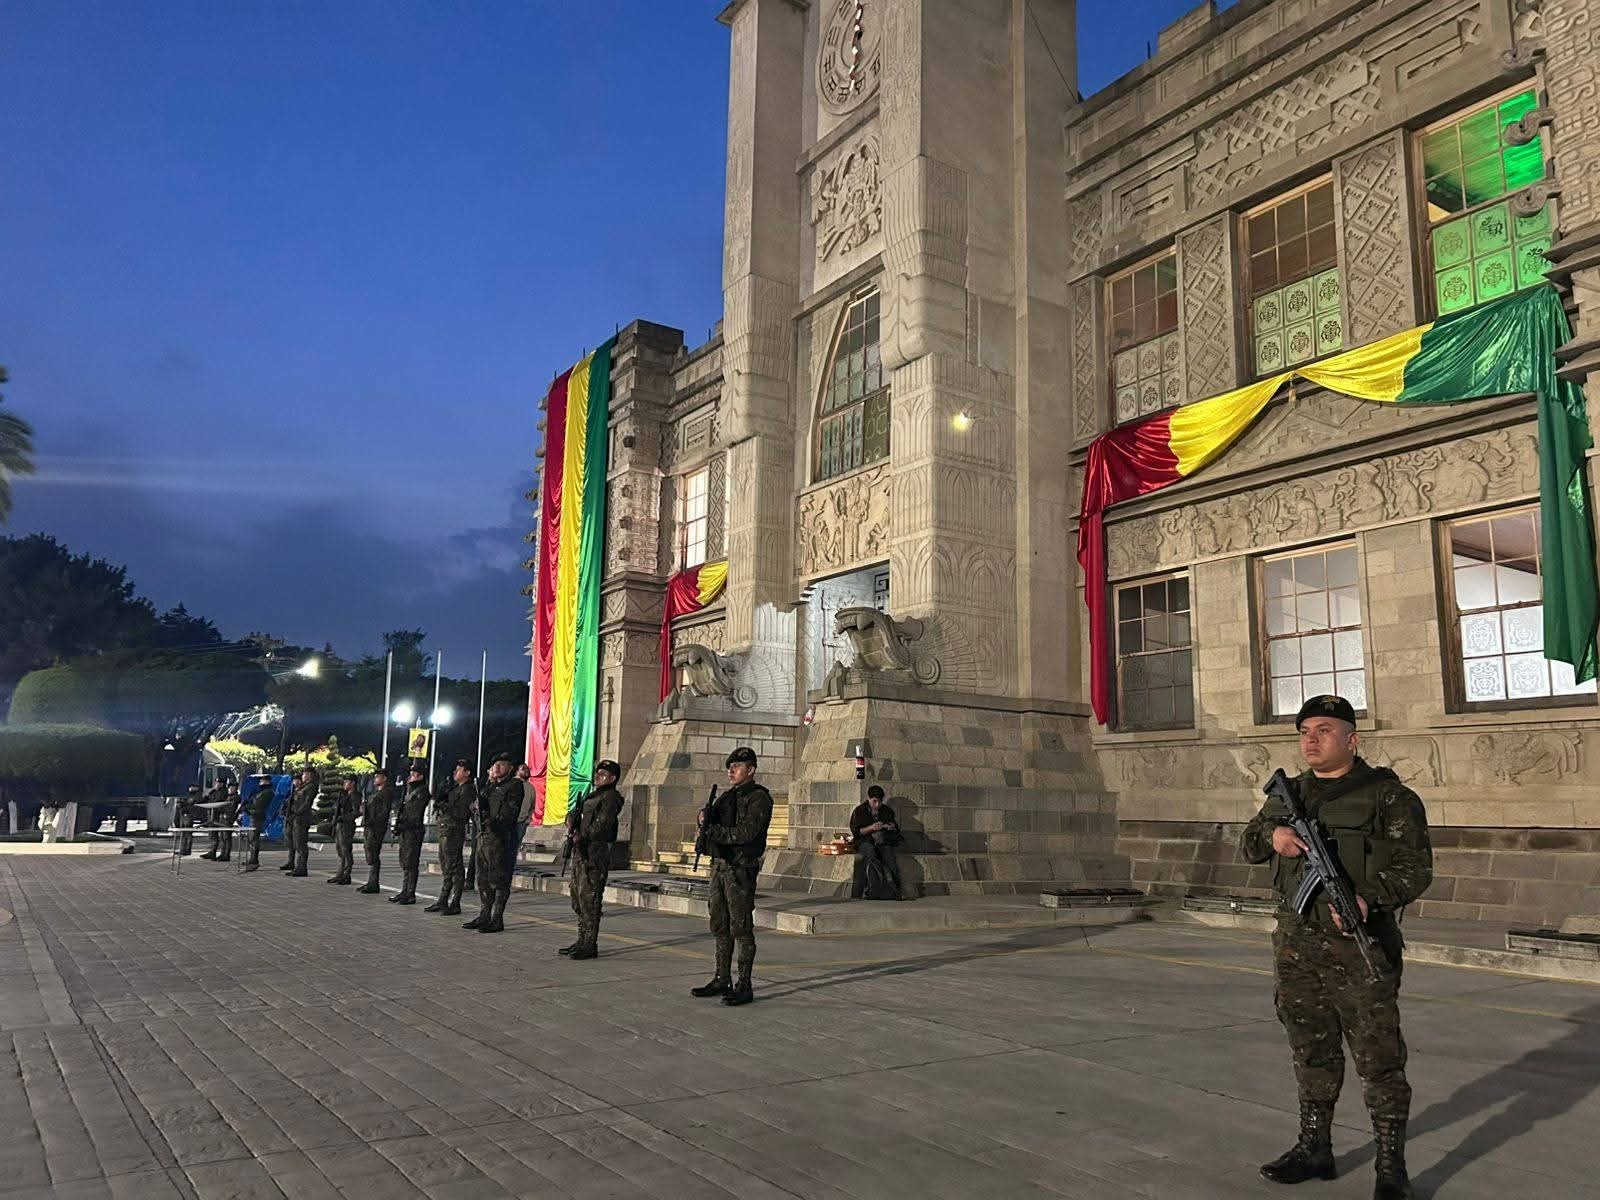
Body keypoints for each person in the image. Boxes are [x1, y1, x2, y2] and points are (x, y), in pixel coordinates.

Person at [1240, 695, 1433, 1200]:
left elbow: (1416, 868)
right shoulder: (1288, 794)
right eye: (1305, 731)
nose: (1311, 740)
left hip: (1359, 949)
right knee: (1310, 1049)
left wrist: (1369, 898)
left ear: (1352, 739)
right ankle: (1314, 1147)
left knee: (1379, 1058)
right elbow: (1249, 843)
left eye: (1324, 730)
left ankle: (1391, 1166)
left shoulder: (1389, 797)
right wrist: (1274, 835)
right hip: (1297, 948)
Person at [691, 746, 773, 1007]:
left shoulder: (759, 798)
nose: (731, 771)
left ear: (751, 770)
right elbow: (711, 821)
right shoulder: (727, 797)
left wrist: (714, 832)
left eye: (737, 767)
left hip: (740, 868)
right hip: (720, 866)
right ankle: (722, 978)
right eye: (730, 767)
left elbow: (747, 832)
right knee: (719, 924)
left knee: (741, 927)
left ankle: (744, 984)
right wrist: (703, 818)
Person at [560, 759, 624, 960]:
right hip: (581, 851)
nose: (597, 776)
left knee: (590, 899)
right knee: (577, 898)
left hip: (594, 853)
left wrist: (583, 835)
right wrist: (570, 819)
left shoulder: (611, 797)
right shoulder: (592, 795)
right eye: (597, 773)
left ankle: (589, 943)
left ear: (612, 778)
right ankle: (581, 940)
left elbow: (603, 824)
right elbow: (575, 814)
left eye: (603, 774)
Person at [465, 752, 524, 934]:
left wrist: (492, 819)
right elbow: (473, 806)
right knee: (482, 879)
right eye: (495, 764)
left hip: (500, 839)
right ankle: (484, 915)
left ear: (510, 768)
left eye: (502, 764)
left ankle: (497, 918)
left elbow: (509, 813)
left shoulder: (514, 786)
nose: (497, 767)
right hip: (483, 838)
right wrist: (477, 806)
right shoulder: (489, 787)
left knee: (499, 879)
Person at [427, 760, 474, 915]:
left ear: (467, 773)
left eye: (459, 769)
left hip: (454, 831)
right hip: (446, 830)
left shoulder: (468, 790)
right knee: (446, 866)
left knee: (455, 867)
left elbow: (461, 813)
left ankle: (455, 902)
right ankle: (443, 899)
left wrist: (446, 806)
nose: (455, 772)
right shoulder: (455, 789)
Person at [849, 784, 903, 900]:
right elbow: (857, 831)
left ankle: (894, 890)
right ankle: (873, 888)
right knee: (870, 855)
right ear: (869, 799)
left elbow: (895, 827)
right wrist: (871, 828)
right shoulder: (860, 811)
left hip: (883, 841)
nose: (877, 805)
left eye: (879, 802)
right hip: (865, 842)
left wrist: (890, 826)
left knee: (890, 858)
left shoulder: (886, 811)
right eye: (874, 801)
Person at [390, 763, 429, 905]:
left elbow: (415, 813)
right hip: (406, 830)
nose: (410, 777)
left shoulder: (422, 791)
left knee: (411, 862)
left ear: (420, 776)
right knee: (405, 862)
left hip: (413, 830)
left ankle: (410, 893)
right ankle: (404, 891)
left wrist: (405, 824)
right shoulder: (410, 790)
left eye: (413, 775)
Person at [358, 767, 395, 894]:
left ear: (384, 779)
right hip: (370, 825)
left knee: (373, 852)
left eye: (378, 776)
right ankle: (371, 881)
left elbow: (384, 812)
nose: (375, 779)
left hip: (376, 827)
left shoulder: (386, 793)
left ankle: (374, 883)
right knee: (370, 851)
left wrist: (374, 821)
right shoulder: (375, 792)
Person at [323, 776, 359, 885]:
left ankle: (346, 874)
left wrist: (343, 818)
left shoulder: (355, 796)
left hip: (347, 825)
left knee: (346, 850)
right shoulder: (344, 795)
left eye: (347, 781)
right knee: (340, 850)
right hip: (340, 825)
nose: (344, 783)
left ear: (353, 783)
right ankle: (340, 874)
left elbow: (356, 812)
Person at [281, 768, 317, 877]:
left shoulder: (311, 787)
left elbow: (306, 803)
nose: (302, 776)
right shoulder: (303, 786)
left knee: (301, 844)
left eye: (304, 774)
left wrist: (296, 813)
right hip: (295, 817)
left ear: (309, 775)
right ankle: (296, 865)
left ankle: (301, 868)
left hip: (302, 818)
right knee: (295, 842)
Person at [242, 774, 274, 872]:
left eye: (262, 781)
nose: (260, 783)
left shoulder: (268, 792)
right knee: (251, 838)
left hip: (258, 817)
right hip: (254, 816)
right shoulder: (261, 792)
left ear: (267, 781)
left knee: (254, 839)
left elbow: (258, 806)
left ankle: (254, 861)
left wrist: (247, 808)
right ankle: (252, 859)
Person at [199, 780, 229, 859]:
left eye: (218, 783)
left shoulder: (223, 792)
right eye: (216, 783)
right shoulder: (214, 791)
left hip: (217, 815)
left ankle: (219, 853)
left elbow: (217, 801)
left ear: (222, 784)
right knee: (212, 834)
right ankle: (212, 851)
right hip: (211, 814)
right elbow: (208, 798)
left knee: (219, 835)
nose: (216, 784)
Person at [175, 785, 198, 856]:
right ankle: (182, 849)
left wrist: (184, 804)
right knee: (183, 833)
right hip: (183, 814)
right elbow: (181, 804)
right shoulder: (186, 795)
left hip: (188, 815)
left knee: (188, 833)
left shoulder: (195, 795)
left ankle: (187, 849)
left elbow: (190, 803)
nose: (191, 788)